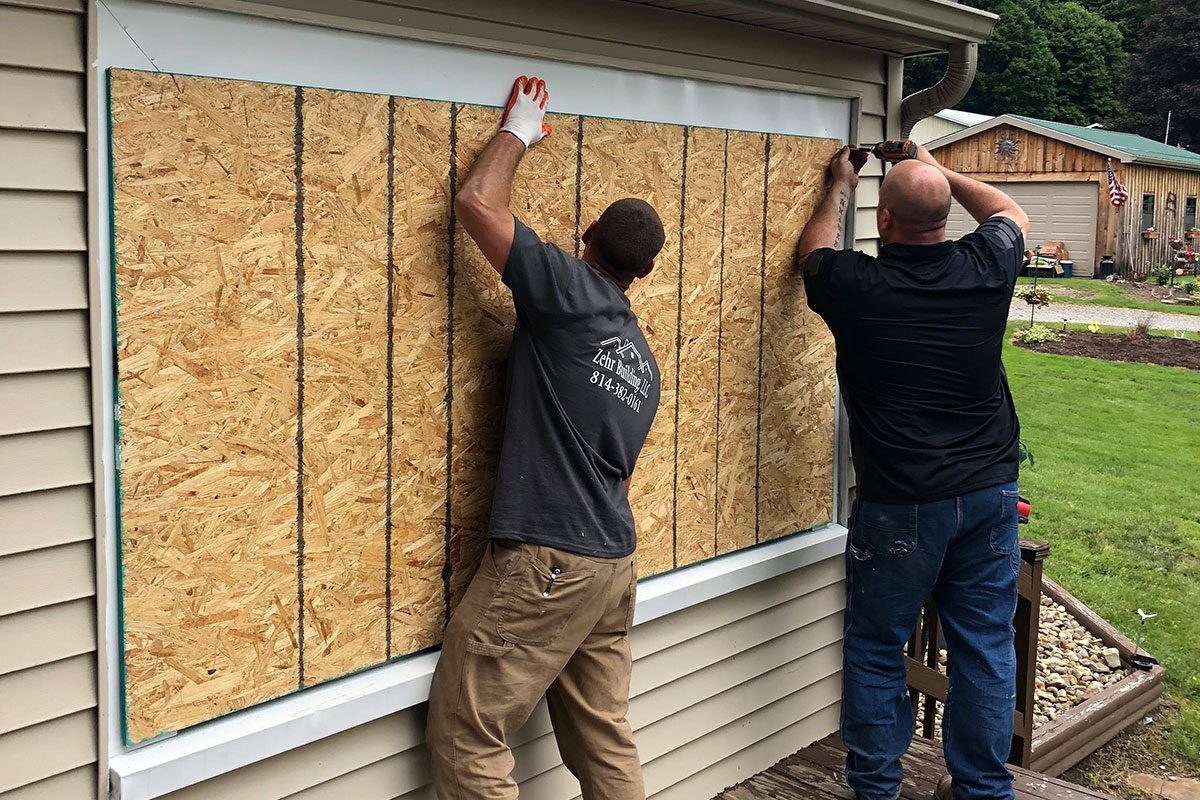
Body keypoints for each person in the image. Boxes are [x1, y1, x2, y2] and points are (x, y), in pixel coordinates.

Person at [426, 75, 664, 800]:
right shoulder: (642, 362)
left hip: (549, 563)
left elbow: (476, 205)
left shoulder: (570, 294)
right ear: (645, 273)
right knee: (602, 736)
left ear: (586, 238)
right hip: (610, 567)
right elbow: (618, 478)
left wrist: (520, 130)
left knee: (469, 733)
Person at [797, 144, 1031, 800]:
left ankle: (875, 789)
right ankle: (982, 790)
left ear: (885, 222)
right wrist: (942, 170)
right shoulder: (986, 267)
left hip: (901, 505)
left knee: (878, 647)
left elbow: (811, 253)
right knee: (984, 646)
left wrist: (840, 183)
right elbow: (1009, 211)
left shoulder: (859, 287)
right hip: (988, 496)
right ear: (946, 219)